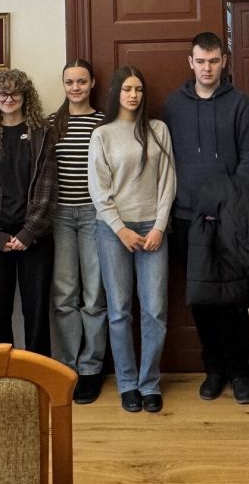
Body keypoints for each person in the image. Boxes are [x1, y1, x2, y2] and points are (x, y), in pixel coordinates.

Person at [163, 32, 249, 405]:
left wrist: (229, 202)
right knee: (202, 298)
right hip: (188, 218)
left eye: (214, 61)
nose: (207, 68)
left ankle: (240, 372)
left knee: (234, 298)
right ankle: (214, 370)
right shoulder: (173, 105)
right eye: (201, 61)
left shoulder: (240, 103)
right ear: (190, 62)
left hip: (229, 219)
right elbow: (165, 158)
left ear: (224, 61)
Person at [88, 66, 176, 414]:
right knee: (119, 311)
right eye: (127, 89)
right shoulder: (103, 134)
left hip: (153, 229)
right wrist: (120, 229)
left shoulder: (158, 130)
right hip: (113, 233)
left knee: (154, 309)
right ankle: (127, 384)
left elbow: (168, 181)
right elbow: (99, 189)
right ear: (116, 93)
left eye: (138, 89)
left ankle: (149, 383)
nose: (133, 95)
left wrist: (159, 227)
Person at [0, 69, 58, 354]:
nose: (9, 99)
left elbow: (47, 186)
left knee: (36, 313)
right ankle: (1, 375)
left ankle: (37, 374)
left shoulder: (42, 134)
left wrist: (28, 232)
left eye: (15, 93)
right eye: (3, 93)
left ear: (25, 96)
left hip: (35, 237)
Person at [49, 59, 108, 404]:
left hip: (93, 216)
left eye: (82, 81)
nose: (75, 88)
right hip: (59, 217)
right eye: (69, 82)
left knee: (94, 295)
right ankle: (67, 367)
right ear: (63, 85)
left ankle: (91, 367)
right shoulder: (51, 124)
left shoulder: (103, 122)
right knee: (64, 294)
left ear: (92, 83)